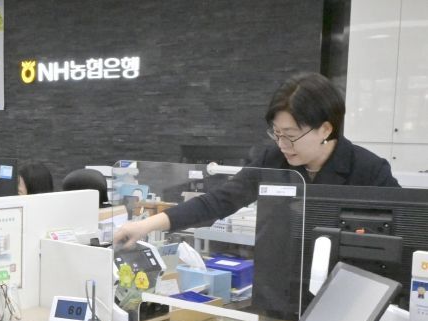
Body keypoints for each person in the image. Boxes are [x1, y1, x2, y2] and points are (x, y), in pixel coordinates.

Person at [114, 72, 400, 247]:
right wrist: (147, 225)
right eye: (277, 133)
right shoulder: (271, 159)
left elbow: (403, 233)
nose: (283, 145)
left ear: (325, 129)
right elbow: (218, 201)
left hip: (341, 288)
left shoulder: (369, 170)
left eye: (291, 135)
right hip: (277, 284)